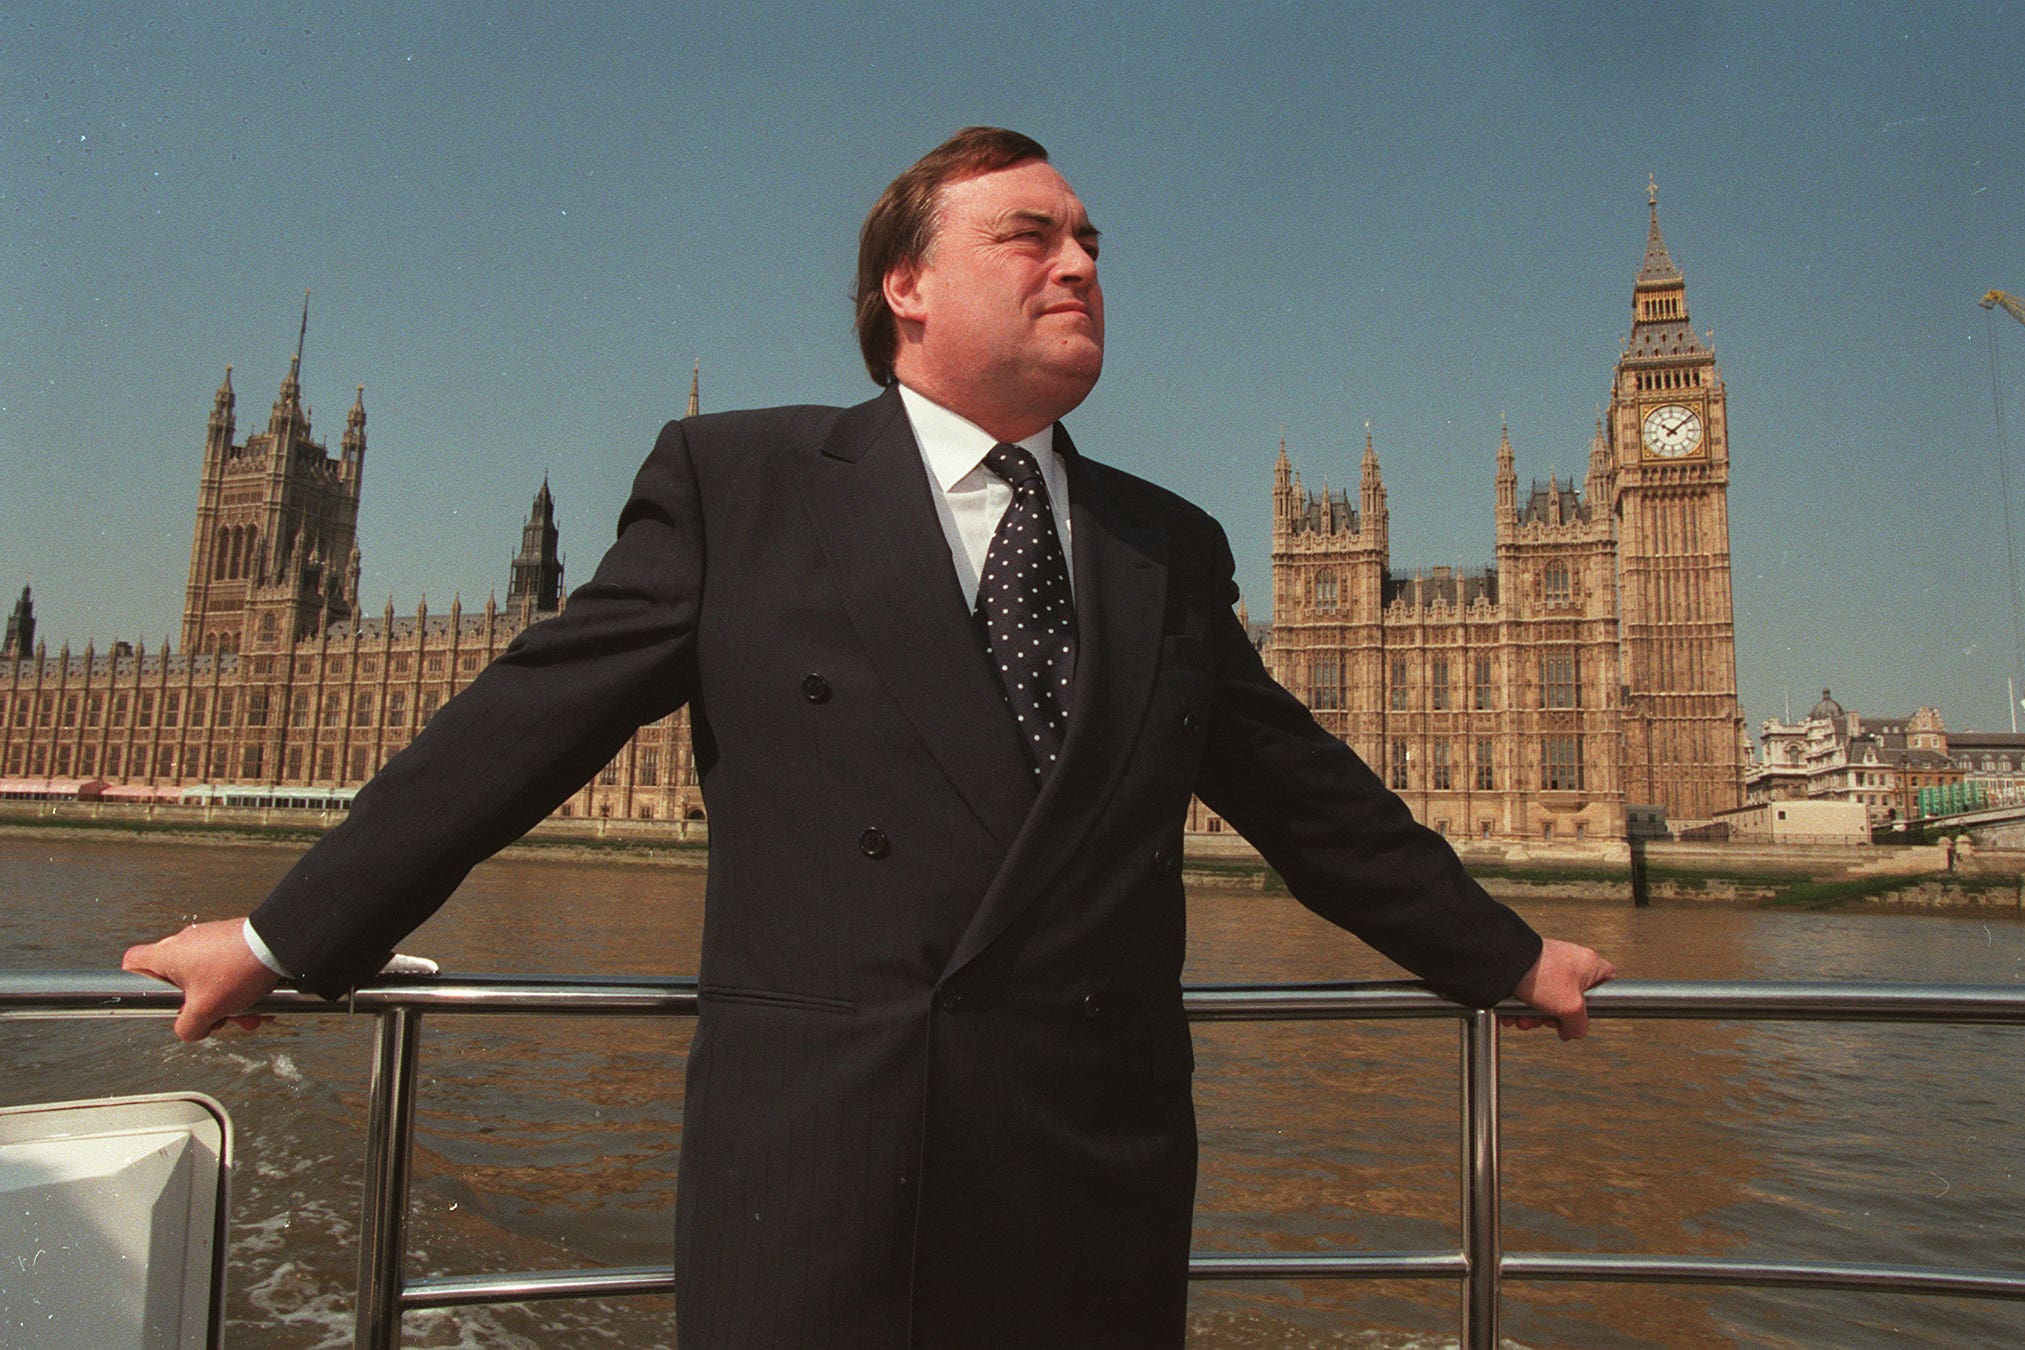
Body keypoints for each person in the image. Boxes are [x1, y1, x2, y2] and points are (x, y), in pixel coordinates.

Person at [125, 127, 1614, 1348]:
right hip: (824, 1179)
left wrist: (1504, 957)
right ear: (906, 285)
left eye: (1092, 240)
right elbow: (523, 722)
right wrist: (282, 934)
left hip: (1088, 1185)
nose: (1082, 263)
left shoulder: (1167, 544)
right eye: (1029, 236)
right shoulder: (743, 481)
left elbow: (1308, 796)